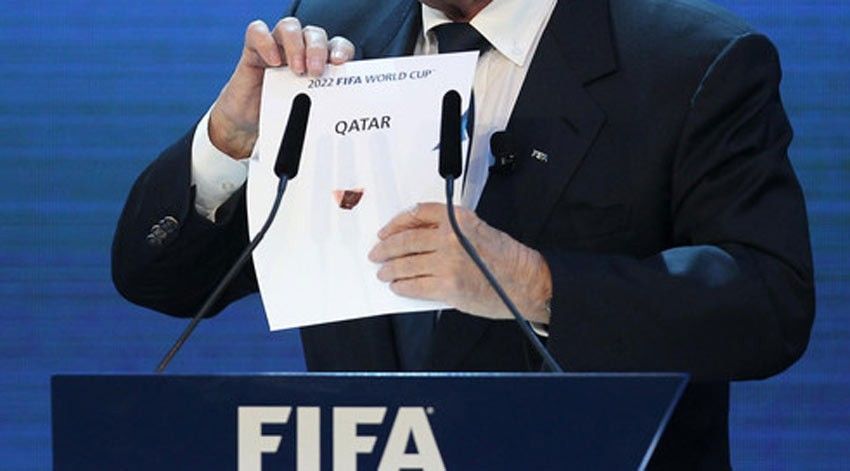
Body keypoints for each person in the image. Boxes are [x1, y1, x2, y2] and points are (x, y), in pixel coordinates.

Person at [112, 0, 815, 467]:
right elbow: (162, 281)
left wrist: (535, 283)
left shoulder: (691, 60)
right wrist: (230, 142)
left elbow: (768, 305)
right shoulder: (332, 35)